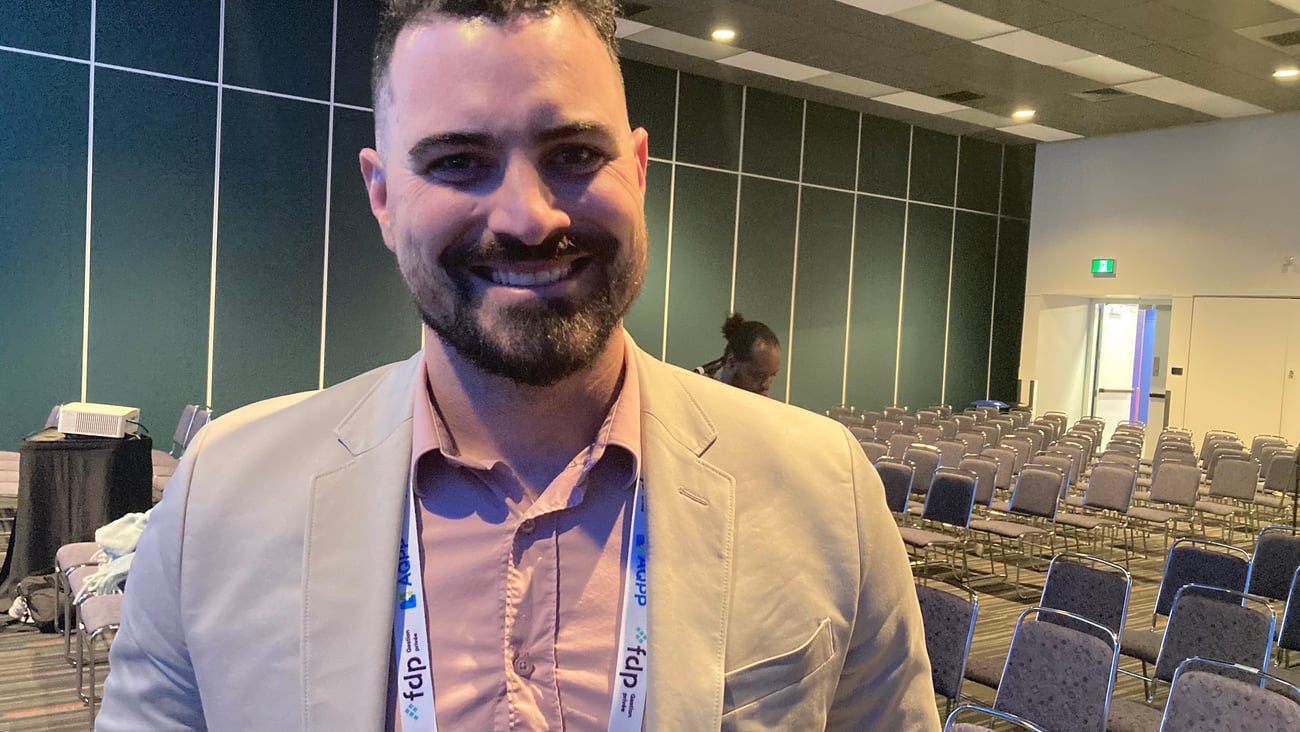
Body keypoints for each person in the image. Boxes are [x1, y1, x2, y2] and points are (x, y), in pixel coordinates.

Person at [95, 1, 939, 730]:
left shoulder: (825, 492)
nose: (528, 218)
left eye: (574, 155)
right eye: (459, 161)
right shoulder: (224, 499)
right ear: (383, 196)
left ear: (638, 170)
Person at [694, 313, 781, 396]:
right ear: (731, 363)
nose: (766, 386)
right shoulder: (699, 395)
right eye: (759, 375)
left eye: (773, 375)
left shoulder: (765, 406)